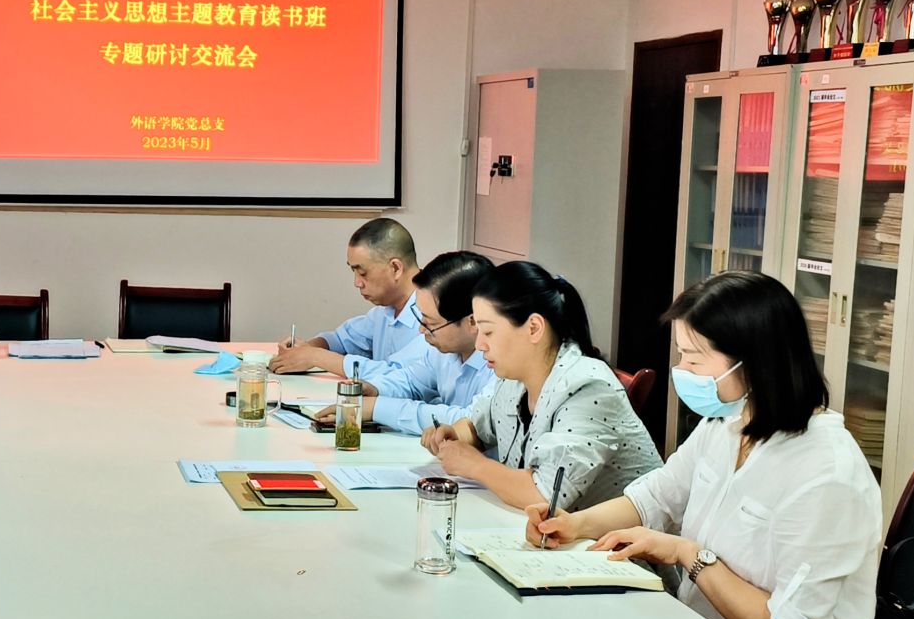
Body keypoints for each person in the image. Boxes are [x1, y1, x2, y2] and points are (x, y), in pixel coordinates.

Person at [530, 270, 882, 619]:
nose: (682, 371)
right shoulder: (730, 423)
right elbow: (657, 496)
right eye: (681, 355)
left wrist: (689, 554)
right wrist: (572, 524)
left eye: (695, 359)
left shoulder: (826, 473)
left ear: (753, 362)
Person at [420, 260, 661, 513]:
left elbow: (547, 495)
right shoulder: (513, 378)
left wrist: (474, 465)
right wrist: (454, 436)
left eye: (488, 332)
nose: (480, 344)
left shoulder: (589, 387)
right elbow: (479, 428)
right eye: (477, 331)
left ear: (534, 328)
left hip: (619, 537)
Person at [318, 251, 497, 435]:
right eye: (421, 319)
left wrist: (377, 408)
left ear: (473, 321)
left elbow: (469, 421)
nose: (421, 330)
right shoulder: (445, 351)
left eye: (431, 323)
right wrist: (376, 389)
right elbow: (411, 381)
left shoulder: (500, 365)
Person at [271, 217, 420, 380]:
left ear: (395, 268)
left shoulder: (432, 317)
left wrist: (314, 356)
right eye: (353, 272)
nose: (357, 283)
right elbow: (341, 340)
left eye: (363, 273)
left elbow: (401, 378)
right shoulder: (385, 310)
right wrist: (304, 350)